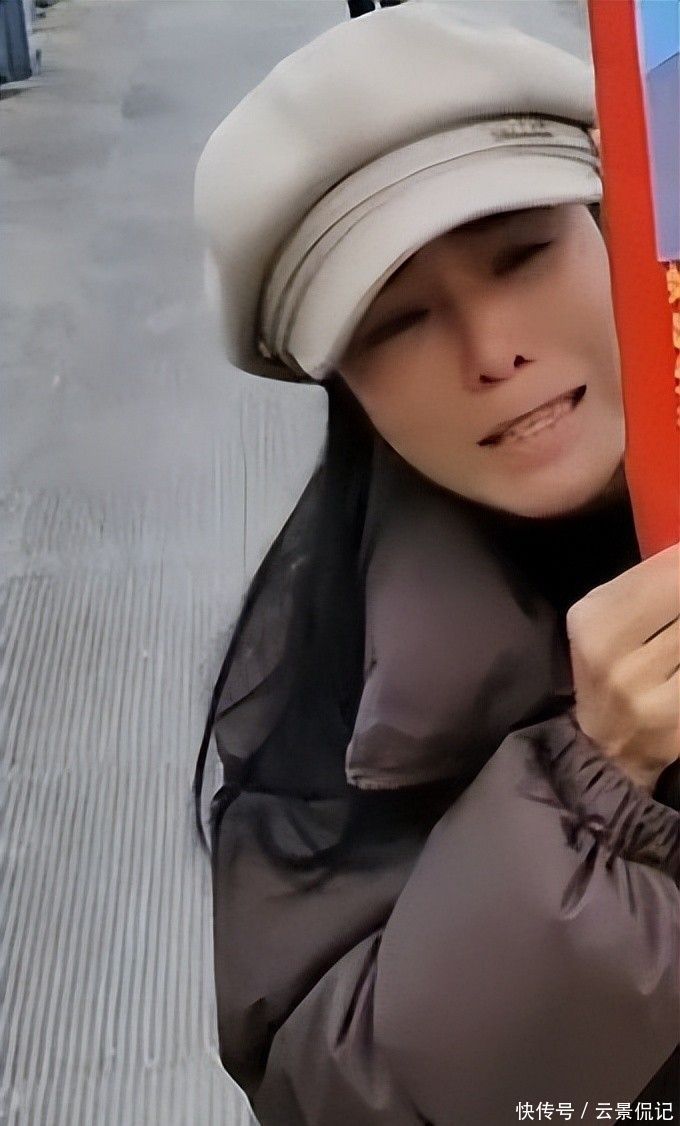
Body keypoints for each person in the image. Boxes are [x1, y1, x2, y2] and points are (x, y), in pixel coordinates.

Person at [192, 5, 680, 1124]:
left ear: (613, 222)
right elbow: (329, 1091)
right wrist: (592, 787)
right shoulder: (325, 673)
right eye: (397, 321)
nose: (491, 350)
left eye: (522, 255)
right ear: (343, 388)